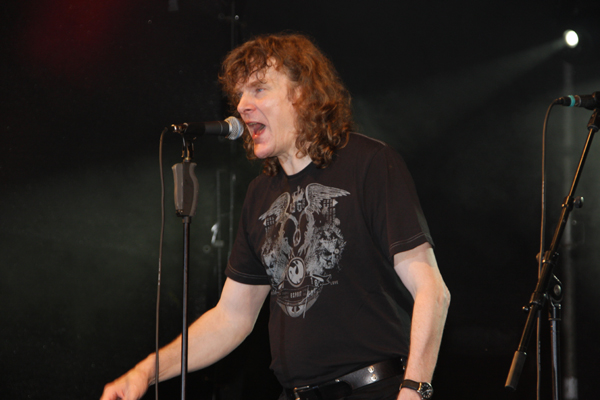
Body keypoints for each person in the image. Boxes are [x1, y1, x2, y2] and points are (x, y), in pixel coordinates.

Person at [100, 32, 450, 400]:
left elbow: (432, 290)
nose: (242, 105)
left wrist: (415, 389)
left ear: (302, 93)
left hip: (373, 389)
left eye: (258, 89)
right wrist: (146, 372)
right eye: (239, 94)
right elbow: (231, 318)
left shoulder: (369, 163)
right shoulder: (260, 195)